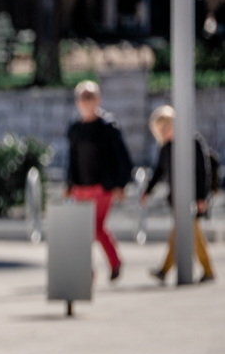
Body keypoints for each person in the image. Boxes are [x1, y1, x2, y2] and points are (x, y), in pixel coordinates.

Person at [66, 81, 134, 282]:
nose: (85, 102)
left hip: (102, 188)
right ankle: (89, 269)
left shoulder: (108, 127)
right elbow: (72, 159)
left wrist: (121, 185)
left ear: (98, 99)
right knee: (82, 231)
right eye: (82, 98)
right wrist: (69, 185)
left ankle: (112, 262)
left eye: (90, 97)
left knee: (94, 228)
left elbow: (123, 158)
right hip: (80, 187)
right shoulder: (75, 128)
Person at [143, 105, 216, 284]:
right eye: (160, 130)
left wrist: (201, 197)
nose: (164, 132)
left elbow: (203, 171)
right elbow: (159, 171)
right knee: (190, 235)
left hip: (193, 198)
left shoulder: (193, 141)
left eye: (166, 127)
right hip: (177, 199)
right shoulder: (166, 147)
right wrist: (147, 190)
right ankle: (205, 271)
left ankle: (167, 270)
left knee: (185, 234)